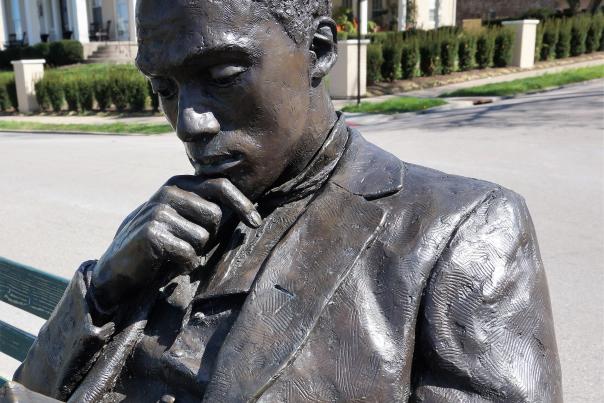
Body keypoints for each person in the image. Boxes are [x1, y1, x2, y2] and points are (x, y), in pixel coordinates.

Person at [3, 0, 562, 402]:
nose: (188, 123)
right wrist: (104, 286)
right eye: (164, 89)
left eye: (221, 75)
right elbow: (31, 389)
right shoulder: (171, 217)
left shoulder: (459, 227)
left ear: (318, 51)